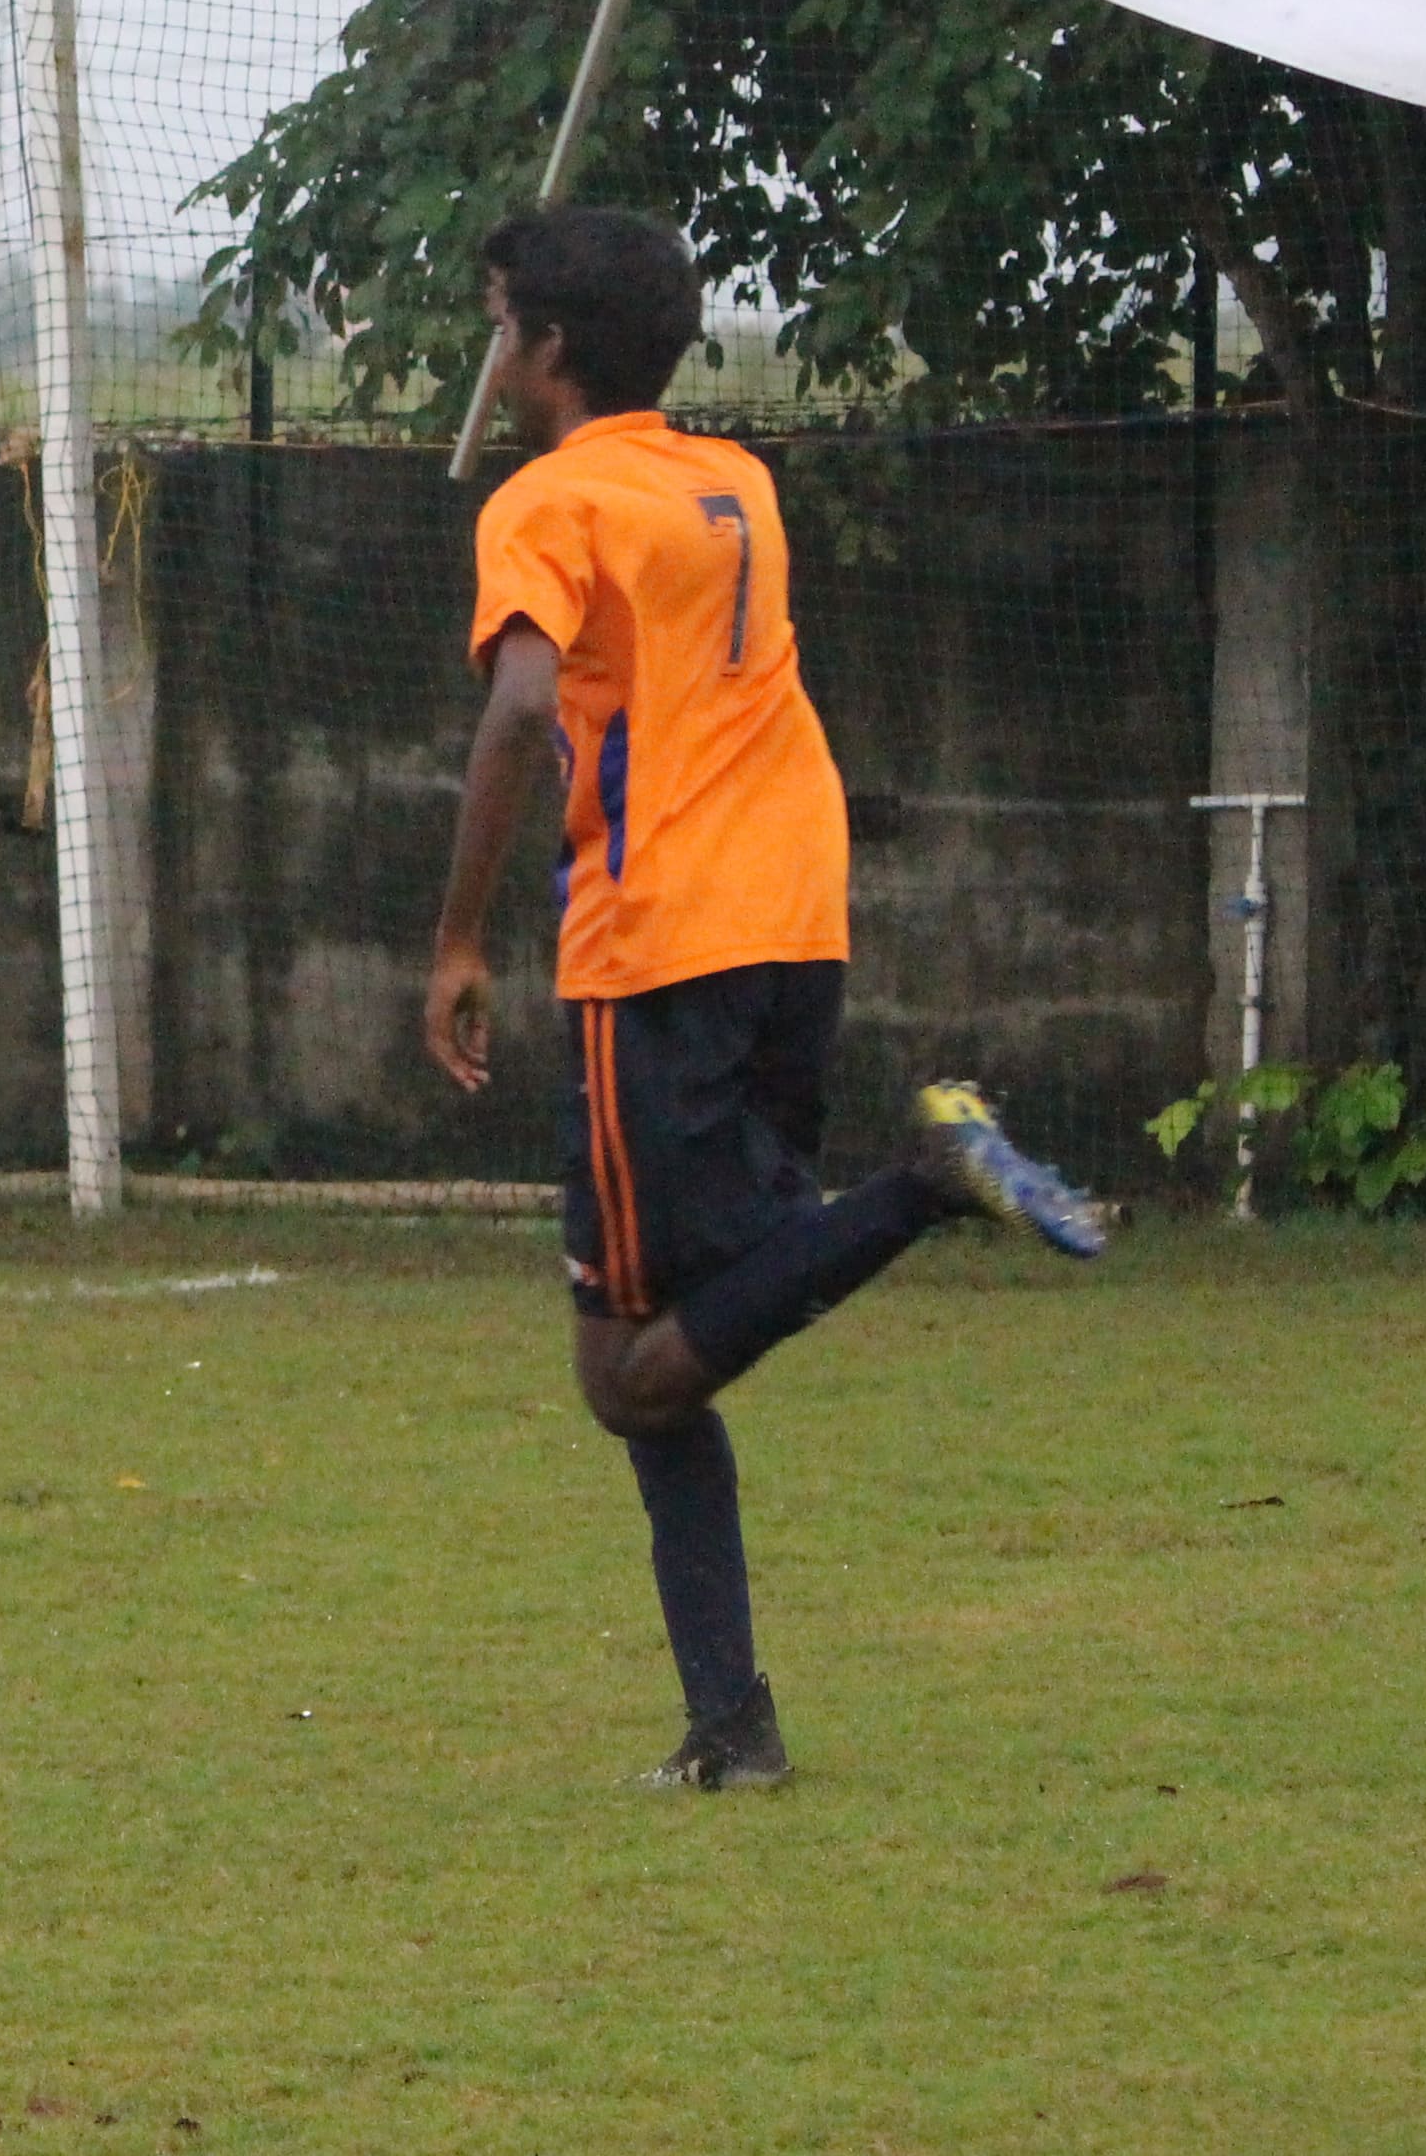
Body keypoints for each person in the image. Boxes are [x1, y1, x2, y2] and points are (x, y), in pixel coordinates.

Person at [424, 205, 1110, 1795]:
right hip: (793, 923)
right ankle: (730, 1731)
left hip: (655, 945)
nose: (493, 353)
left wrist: (455, 941)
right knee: (660, 1345)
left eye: (501, 323)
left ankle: (927, 1178)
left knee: (630, 1373)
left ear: (552, 349)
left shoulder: (550, 500)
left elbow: (522, 708)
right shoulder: (735, 483)